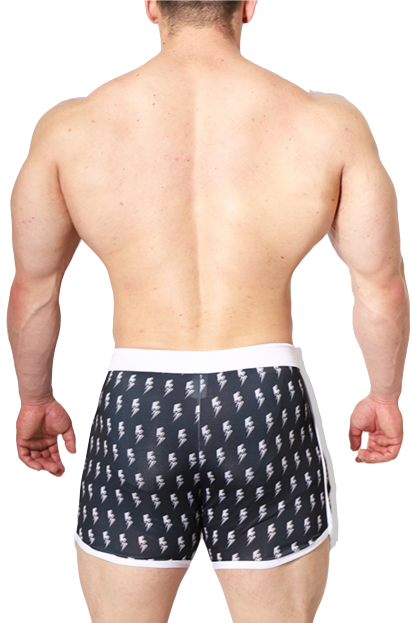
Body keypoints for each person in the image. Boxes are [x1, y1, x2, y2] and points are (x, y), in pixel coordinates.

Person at [7, 0, 409, 621]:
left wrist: (35, 398)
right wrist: (383, 394)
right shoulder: (327, 122)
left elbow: (35, 289)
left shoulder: (71, 127)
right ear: (247, 7)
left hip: (139, 405)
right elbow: (379, 283)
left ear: (151, 7)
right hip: (264, 401)